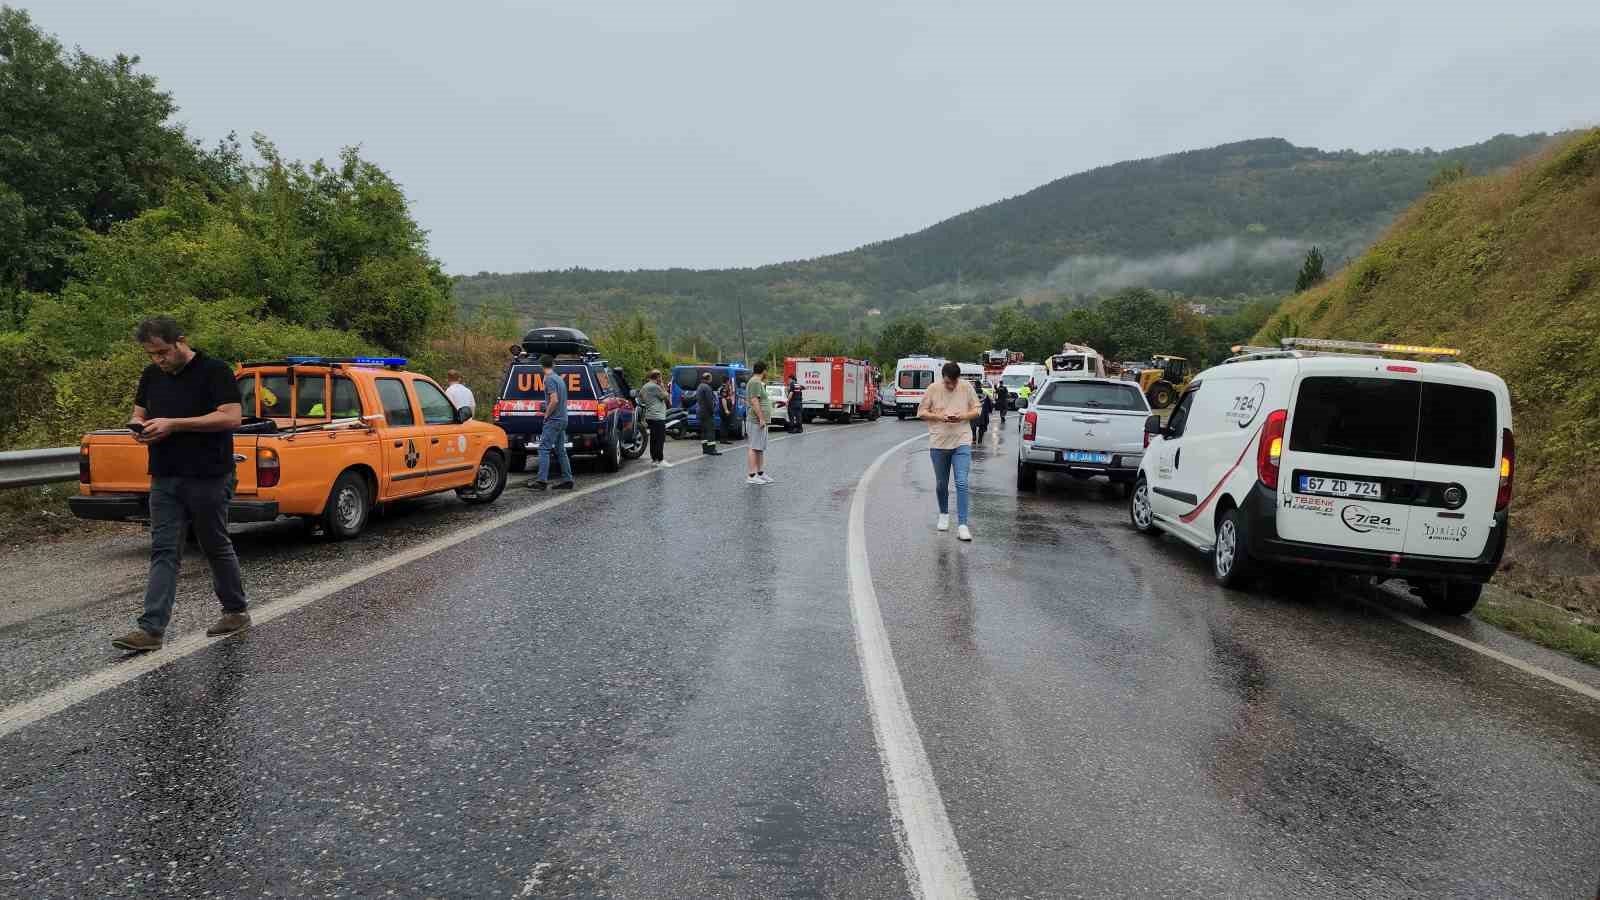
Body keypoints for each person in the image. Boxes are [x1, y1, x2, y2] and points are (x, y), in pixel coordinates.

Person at [111, 316, 251, 652]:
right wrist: (137, 426)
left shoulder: (214, 370)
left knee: (213, 544)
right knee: (163, 549)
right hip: (164, 476)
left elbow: (231, 417)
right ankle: (151, 630)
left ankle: (235, 611)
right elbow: (139, 412)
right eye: (151, 355)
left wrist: (174, 424)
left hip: (208, 475)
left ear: (180, 341)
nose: (158, 360)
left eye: (162, 353)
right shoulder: (151, 375)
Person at [917, 361, 981, 541]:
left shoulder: (966, 387)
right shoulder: (933, 389)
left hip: (962, 440)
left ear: (958, 378)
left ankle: (962, 525)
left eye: (953, 381)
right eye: (947, 382)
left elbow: (977, 409)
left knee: (961, 482)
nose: (951, 385)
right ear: (942, 378)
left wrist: (963, 416)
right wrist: (939, 417)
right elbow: (921, 412)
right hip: (939, 443)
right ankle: (944, 514)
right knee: (941, 484)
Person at [527, 354, 575, 490]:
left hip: (554, 420)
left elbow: (554, 400)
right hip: (563, 419)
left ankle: (541, 481)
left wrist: (546, 414)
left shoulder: (548, 380)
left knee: (543, 449)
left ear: (541, 366)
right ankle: (567, 479)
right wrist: (547, 405)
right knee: (561, 450)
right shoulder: (559, 379)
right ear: (553, 365)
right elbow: (557, 400)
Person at [744, 361, 773, 484]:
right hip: (756, 420)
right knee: (753, 447)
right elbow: (754, 401)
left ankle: (760, 473)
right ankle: (751, 475)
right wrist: (761, 418)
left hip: (761, 421)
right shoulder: (755, 382)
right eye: (767, 370)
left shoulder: (758, 382)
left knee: (759, 447)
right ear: (764, 370)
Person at [639, 369, 671, 468]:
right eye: (660, 377)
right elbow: (666, 396)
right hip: (658, 416)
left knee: (653, 438)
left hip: (649, 415)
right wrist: (662, 386)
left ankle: (654, 460)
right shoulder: (656, 387)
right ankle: (660, 460)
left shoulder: (644, 387)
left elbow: (640, 397)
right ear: (657, 377)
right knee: (660, 439)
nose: (661, 379)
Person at [694, 372, 722, 456]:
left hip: (700, 412)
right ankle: (712, 449)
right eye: (711, 378)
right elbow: (710, 401)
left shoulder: (699, 386)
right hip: (707, 412)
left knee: (704, 431)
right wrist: (712, 411)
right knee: (710, 431)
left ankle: (705, 449)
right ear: (708, 378)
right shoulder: (707, 387)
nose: (712, 379)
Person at [719, 379, 737, 444]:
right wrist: (726, 410)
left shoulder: (724, 388)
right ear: (727, 381)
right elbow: (723, 399)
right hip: (724, 410)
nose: (729, 382)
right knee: (724, 425)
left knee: (725, 424)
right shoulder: (724, 389)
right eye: (729, 381)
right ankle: (724, 439)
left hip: (724, 409)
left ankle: (724, 439)